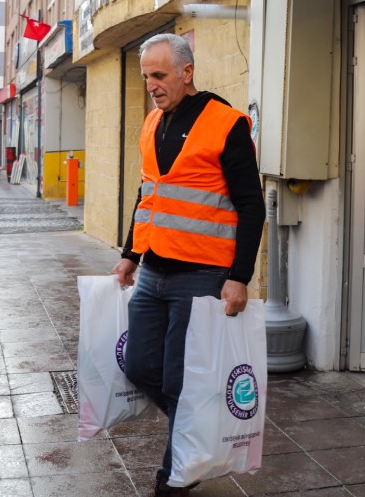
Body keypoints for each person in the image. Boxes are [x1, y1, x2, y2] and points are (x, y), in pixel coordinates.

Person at [111, 33, 264, 496]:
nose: (151, 85)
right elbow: (148, 194)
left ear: (186, 72)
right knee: (138, 366)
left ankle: (174, 478)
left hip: (202, 274)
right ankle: (199, 427)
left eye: (159, 75)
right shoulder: (151, 123)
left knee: (180, 378)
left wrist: (239, 277)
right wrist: (129, 253)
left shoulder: (227, 123)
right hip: (155, 269)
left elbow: (251, 206)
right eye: (145, 77)